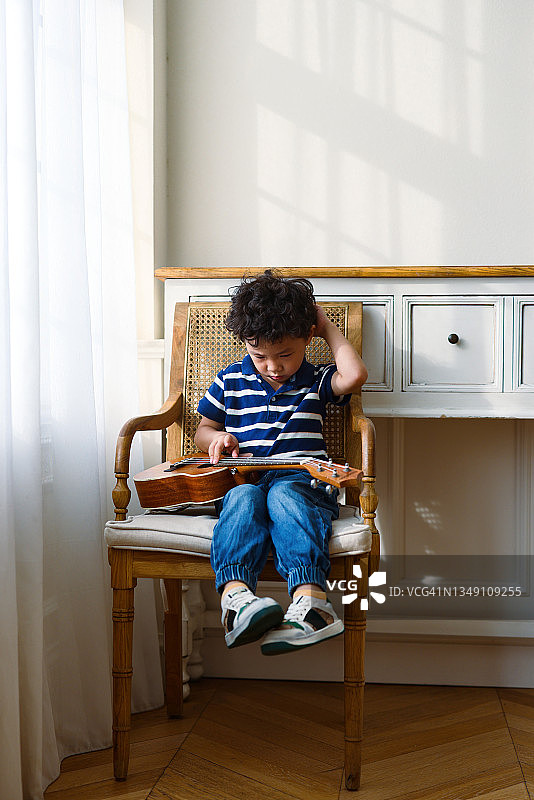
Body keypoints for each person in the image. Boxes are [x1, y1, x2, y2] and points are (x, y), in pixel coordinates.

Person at [194, 270, 368, 655]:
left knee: (285, 496)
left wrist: (325, 328)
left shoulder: (317, 379)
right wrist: (217, 437)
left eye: (285, 354)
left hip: (302, 484)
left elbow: (355, 375)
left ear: (307, 337)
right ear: (245, 346)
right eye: (260, 356)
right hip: (246, 481)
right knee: (241, 502)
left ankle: (312, 605)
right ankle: (237, 603)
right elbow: (202, 431)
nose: (272, 366)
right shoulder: (230, 381)